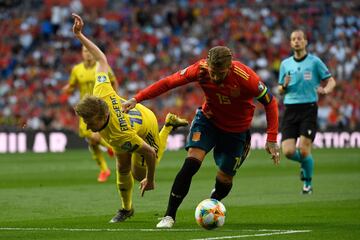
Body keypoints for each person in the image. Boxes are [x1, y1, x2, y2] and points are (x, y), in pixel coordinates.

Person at [122, 46, 281, 228]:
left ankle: (213, 203)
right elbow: (168, 82)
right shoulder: (201, 69)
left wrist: (271, 138)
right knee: (191, 164)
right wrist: (137, 98)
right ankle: (169, 216)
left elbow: (271, 102)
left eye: (220, 73)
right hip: (208, 121)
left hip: (237, 131)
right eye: (212, 72)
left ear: (229, 68)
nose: (214, 77)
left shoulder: (246, 77)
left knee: (225, 179)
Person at [71, 13, 188, 223]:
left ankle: (168, 125)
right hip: (124, 127)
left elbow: (150, 152)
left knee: (137, 173)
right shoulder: (102, 90)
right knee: (121, 166)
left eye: (90, 122)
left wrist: (150, 180)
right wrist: (79, 35)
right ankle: (126, 209)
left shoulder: (120, 134)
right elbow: (101, 59)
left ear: (101, 115)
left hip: (146, 123)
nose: (88, 127)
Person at [278, 29, 336, 194]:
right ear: (290, 43)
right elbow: (280, 90)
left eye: (299, 38)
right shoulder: (285, 64)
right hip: (290, 109)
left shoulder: (314, 62)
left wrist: (325, 90)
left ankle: (307, 183)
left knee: (304, 150)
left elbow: (331, 80)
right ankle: (305, 163)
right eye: (293, 39)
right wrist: (284, 86)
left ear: (305, 42)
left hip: (308, 108)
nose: (296, 41)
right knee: (288, 152)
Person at [62, 41, 118, 183]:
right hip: (84, 110)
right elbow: (73, 84)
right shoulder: (77, 69)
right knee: (91, 140)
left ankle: (111, 152)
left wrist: (113, 99)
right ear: (82, 53)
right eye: (84, 51)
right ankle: (105, 168)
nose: (87, 53)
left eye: (89, 51)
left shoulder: (102, 67)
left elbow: (114, 82)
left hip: (100, 108)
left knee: (94, 138)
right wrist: (68, 88)